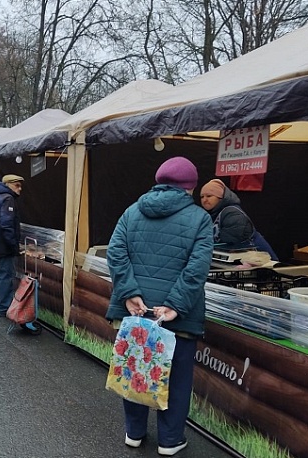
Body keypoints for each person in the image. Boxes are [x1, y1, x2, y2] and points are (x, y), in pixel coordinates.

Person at [105, 157, 213, 457]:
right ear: (190, 187)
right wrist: (175, 306)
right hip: (178, 317)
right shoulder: (200, 219)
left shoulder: (131, 211)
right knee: (176, 380)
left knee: (136, 368)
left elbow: (115, 252)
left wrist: (129, 293)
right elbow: (197, 268)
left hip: (135, 313)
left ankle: (134, 433)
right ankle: (169, 440)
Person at [0, 174, 41, 334]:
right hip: (3, 245)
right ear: (8, 185)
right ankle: (4, 308)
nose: (20, 188)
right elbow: (6, 224)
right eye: (17, 185)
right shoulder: (7, 199)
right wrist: (14, 245)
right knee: (5, 276)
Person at [200, 178, 278, 260]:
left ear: (221, 197)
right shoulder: (214, 214)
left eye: (209, 196)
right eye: (202, 197)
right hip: (247, 262)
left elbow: (228, 243)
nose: (204, 200)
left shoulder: (232, 214)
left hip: (263, 263)